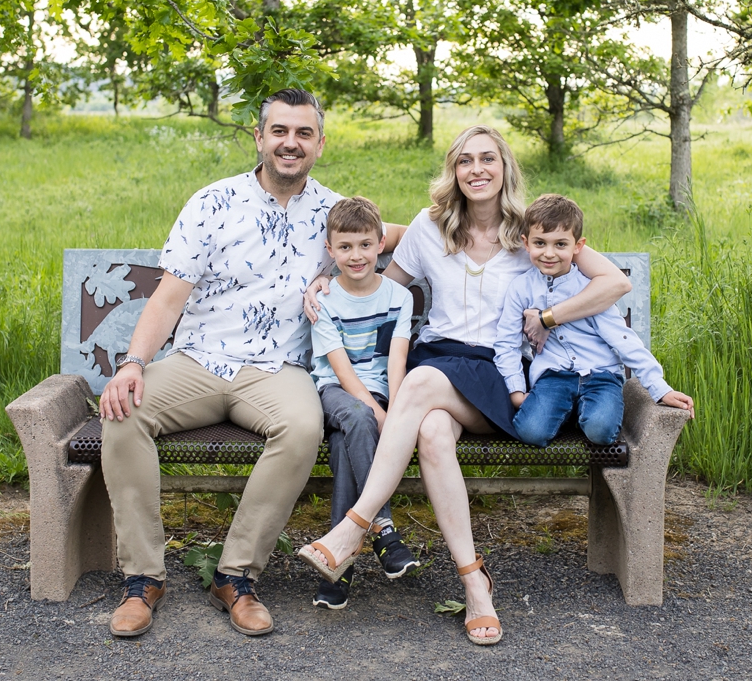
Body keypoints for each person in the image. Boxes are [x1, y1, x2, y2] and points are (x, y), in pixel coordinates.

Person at [296, 125, 633, 645]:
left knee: (422, 381)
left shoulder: (532, 231)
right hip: (438, 361)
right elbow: (377, 277)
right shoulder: (431, 229)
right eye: (465, 161)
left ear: (505, 168)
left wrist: (547, 315)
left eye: (488, 159)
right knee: (430, 431)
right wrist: (325, 280)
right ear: (454, 171)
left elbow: (616, 283)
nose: (477, 170)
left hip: (496, 372)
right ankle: (475, 582)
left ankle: (355, 525)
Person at [96, 88, 401, 639]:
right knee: (124, 413)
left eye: (304, 133)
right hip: (199, 360)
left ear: (320, 144)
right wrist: (133, 363)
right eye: (279, 131)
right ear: (259, 138)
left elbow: (399, 237)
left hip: (278, 369)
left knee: (303, 425)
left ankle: (236, 576)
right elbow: (167, 298)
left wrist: (340, 272)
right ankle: (142, 578)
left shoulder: (333, 214)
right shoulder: (212, 203)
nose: (291, 143)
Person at [495, 194, 694, 448]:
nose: (548, 253)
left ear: (578, 246)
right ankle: (566, 410)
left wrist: (660, 388)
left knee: (600, 431)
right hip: (553, 375)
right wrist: (515, 391)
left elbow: (623, 339)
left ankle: (584, 412)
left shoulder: (591, 288)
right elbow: (506, 343)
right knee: (530, 431)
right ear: (526, 243)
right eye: (540, 243)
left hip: (600, 376)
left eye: (560, 244)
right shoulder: (520, 288)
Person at [307, 196, 421, 610]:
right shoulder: (325, 300)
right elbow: (340, 371)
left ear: (381, 244)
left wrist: (392, 407)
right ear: (330, 249)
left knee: (346, 442)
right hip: (337, 391)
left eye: (365, 245)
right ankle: (383, 529)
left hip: (376, 395)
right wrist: (377, 414)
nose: (356, 256)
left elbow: (396, 359)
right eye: (345, 247)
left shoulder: (398, 296)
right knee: (358, 416)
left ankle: (338, 563)